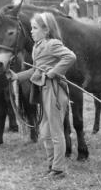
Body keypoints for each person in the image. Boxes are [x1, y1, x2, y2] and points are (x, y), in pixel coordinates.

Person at [7, 12, 76, 179]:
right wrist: (17, 77)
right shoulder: (37, 46)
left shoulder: (52, 44)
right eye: (31, 28)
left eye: (35, 28)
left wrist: (53, 72)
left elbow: (70, 57)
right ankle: (52, 165)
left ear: (46, 30)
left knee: (55, 131)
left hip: (55, 91)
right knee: (45, 132)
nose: (31, 31)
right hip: (43, 91)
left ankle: (58, 169)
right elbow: (36, 69)